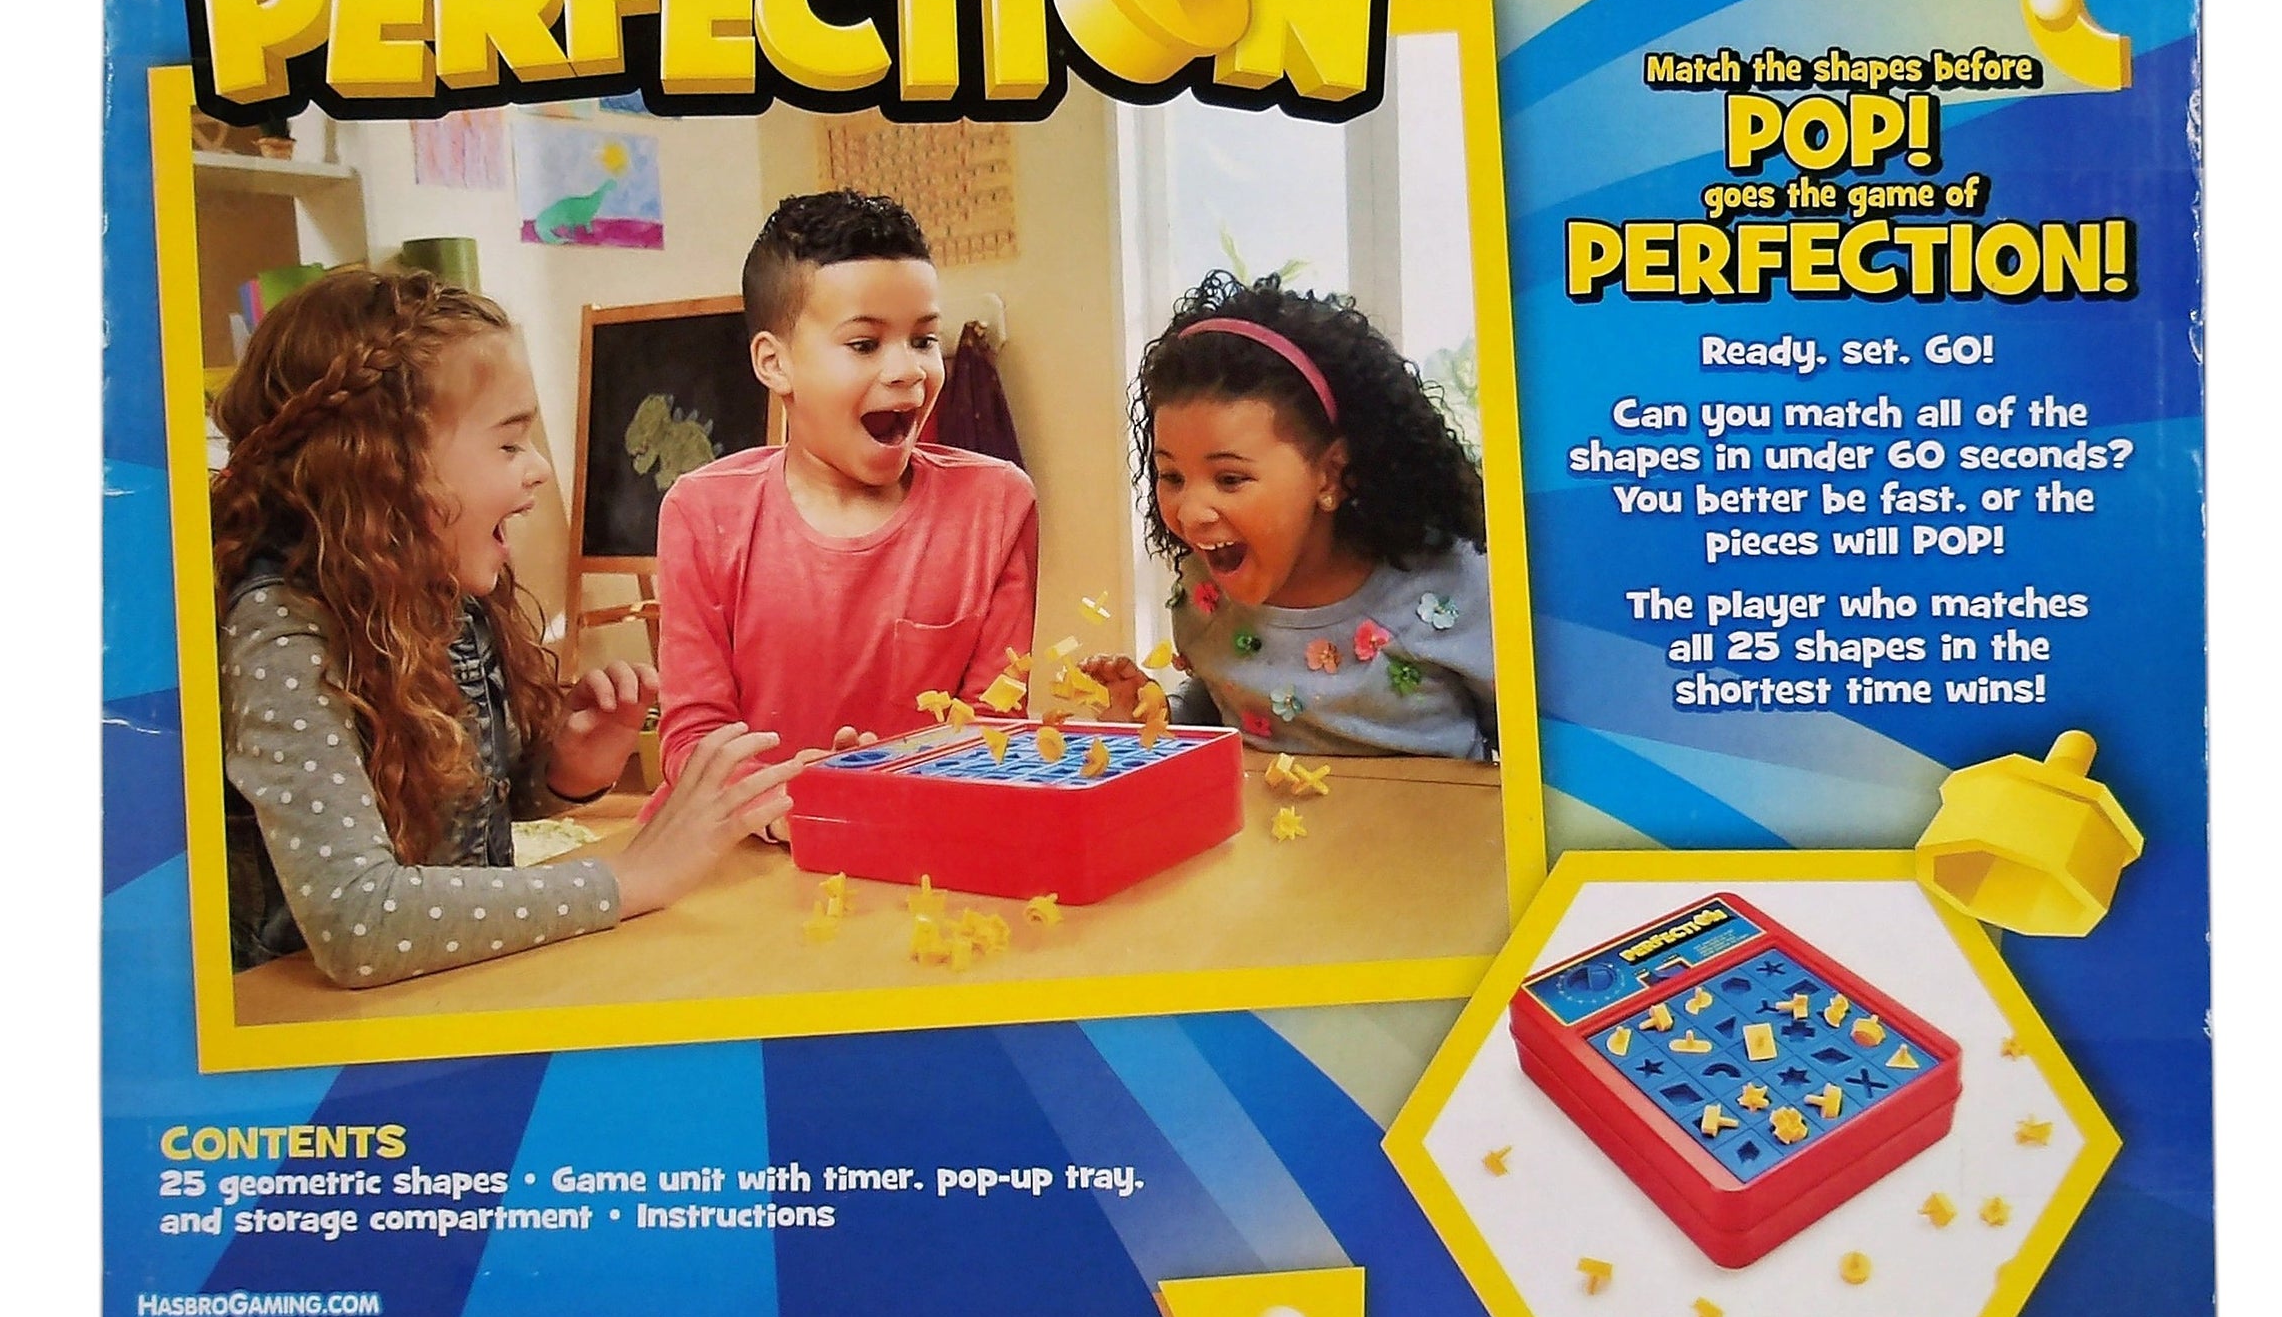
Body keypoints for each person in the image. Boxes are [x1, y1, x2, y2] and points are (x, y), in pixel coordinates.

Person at [212, 267, 789, 987]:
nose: (540, 468)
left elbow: (466, 822)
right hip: (314, 1022)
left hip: (455, 990)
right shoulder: (281, 634)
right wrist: (630, 877)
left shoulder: (445, 600)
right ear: (383, 466)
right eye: (510, 443)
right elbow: (357, 918)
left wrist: (564, 772)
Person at [651, 191, 1040, 783]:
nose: (908, 370)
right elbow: (692, 738)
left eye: (924, 339)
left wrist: (875, 787)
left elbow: (994, 727)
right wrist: (787, 795)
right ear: (774, 363)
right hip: (749, 834)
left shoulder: (999, 506)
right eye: (864, 344)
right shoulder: (701, 513)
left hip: (918, 828)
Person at [1134, 272, 1496, 759]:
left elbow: (1547, 751)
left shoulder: (1454, 590)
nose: (1191, 513)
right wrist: (1158, 718)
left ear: (1328, 476)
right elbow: (1222, 699)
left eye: (1230, 479)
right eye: (1172, 477)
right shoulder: (1203, 593)